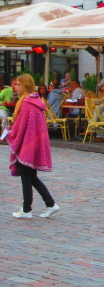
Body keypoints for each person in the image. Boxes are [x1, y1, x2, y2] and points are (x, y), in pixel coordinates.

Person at [6, 74, 59, 219]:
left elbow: (21, 126)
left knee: (26, 177)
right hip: (34, 143)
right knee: (31, 177)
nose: (15, 86)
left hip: (27, 144)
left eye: (17, 84)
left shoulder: (26, 103)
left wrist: (9, 133)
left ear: (24, 86)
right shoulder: (35, 101)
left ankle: (27, 209)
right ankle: (50, 204)